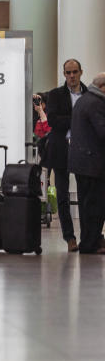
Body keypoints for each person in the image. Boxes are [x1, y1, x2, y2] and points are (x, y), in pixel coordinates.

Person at [43, 59, 87, 252]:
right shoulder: (55, 95)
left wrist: (69, 121)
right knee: (62, 195)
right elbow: (53, 120)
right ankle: (69, 237)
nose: (71, 76)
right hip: (61, 149)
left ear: (81, 72)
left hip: (85, 150)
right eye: (68, 72)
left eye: (74, 72)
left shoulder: (89, 95)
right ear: (64, 74)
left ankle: (90, 237)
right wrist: (78, 120)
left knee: (87, 195)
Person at [69, 73, 105, 254]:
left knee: (86, 206)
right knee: (95, 206)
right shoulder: (96, 104)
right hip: (93, 164)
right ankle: (90, 244)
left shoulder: (84, 100)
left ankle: (90, 241)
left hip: (82, 163)